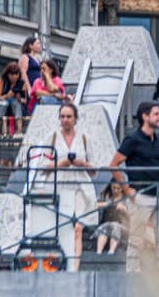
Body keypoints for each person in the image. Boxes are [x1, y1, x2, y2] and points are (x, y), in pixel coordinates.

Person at [110, 103, 159, 272]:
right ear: (145, 116)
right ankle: (132, 272)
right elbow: (113, 164)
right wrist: (127, 189)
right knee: (136, 237)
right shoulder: (132, 140)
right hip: (141, 195)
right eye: (156, 114)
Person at [43, 102, 98, 269]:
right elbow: (43, 167)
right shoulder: (52, 137)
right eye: (62, 116)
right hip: (59, 187)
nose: (65, 120)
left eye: (69, 116)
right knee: (61, 228)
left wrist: (82, 163)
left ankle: (74, 267)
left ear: (75, 119)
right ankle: (60, 265)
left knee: (77, 228)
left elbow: (94, 170)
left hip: (80, 188)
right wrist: (62, 163)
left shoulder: (84, 138)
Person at [0, 61, 31, 128]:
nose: (14, 77)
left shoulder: (22, 83)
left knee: (15, 102)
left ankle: (19, 128)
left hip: (18, 108)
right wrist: (6, 96)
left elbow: (25, 101)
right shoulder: (2, 81)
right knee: (4, 103)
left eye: (16, 74)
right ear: (7, 74)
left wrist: (19, 98)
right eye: (12, 74)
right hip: (4, 107)